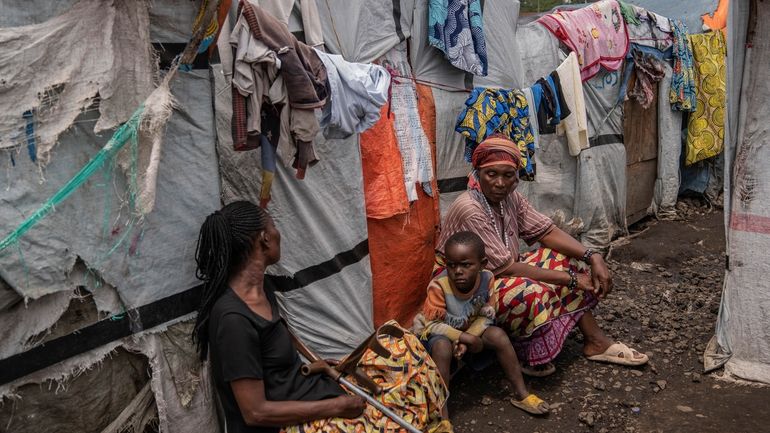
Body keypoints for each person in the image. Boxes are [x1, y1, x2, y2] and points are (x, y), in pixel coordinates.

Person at [192, 201, 450, 433]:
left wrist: (326, 365)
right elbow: (255, 412)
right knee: (394, 422)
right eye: (273, 226)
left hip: (312, 394)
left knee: (408, 355)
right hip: (287, 425)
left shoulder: (260, 290)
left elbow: (272, 353)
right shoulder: (233, 319)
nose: (277, 233)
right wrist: (336, 407)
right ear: (264, 239)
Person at [435, 135, 648, 376]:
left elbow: (546, 231)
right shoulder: (470, 208)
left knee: (561, 259)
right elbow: (506, 269)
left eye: (507, 175)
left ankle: (595, 341)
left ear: (517, 177)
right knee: (533, 291)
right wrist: (572, 279)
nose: (499, 183)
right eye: (491, 174)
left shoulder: (510, 199)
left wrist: (593, 256)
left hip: (495, 277)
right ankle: (528, 353)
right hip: (463, 293)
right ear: (477, 173)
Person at [413, 231, 550, 416]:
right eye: (451, 265)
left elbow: (486, 315)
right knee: (442, 347)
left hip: (469, 332)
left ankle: (521, 394)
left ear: (482, 264)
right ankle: (441, 414)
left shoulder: (487, 278)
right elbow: (431, 325)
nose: (458, 271)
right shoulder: (439, 286)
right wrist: (464, 337)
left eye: (466, 265)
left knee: (498, 336)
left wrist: (469, 339)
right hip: (439, 335)